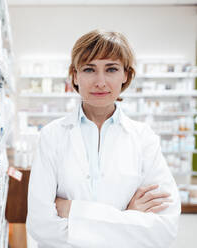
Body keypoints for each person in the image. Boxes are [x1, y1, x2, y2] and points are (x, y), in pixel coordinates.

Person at [26, 30, 181, 248]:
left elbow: (164, 229)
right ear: (75, 75)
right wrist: (128, 217)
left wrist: (74, 211)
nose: (100, 82)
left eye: (111, 69)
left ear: (126, 75)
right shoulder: (52, 136)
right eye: (89, 69)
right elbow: (40, 226)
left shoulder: (144, 139)